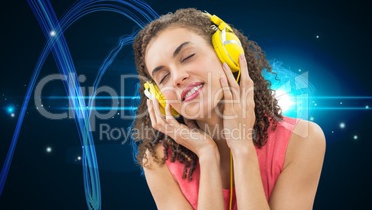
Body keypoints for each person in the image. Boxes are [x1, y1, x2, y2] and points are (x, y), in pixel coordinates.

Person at [131, 8, 325, 210]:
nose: (178, 77)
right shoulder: (158, 162)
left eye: (187, 56)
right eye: (163, 78)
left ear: (226, 52)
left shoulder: (303, 139)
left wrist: (242, 147)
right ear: (160, 98)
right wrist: (207, 155)